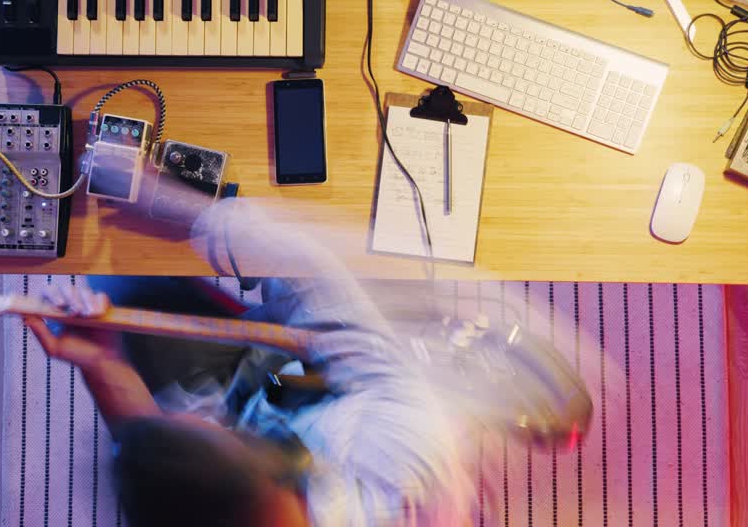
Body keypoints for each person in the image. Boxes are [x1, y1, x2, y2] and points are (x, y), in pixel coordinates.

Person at [24, 170, 478, 527]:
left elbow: (143, 438)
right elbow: (311, 272)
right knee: (334, 305)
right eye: (213, 426)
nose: (205, 415)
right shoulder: (397, 449)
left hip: (282, 407)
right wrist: (166, 199)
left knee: (115, 280)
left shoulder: (248, 498)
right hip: (339, 398)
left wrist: (102, 359)